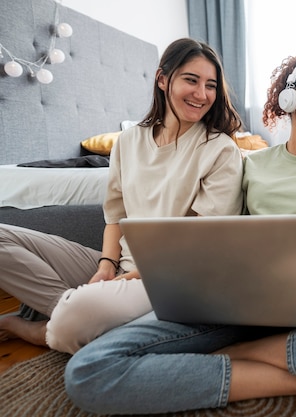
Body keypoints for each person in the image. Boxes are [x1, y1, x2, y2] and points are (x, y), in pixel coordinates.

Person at [63, 54, 296, 414]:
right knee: (88, 371)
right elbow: (221, 233)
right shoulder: (252, 164)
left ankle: (245, 354)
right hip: (234, 294)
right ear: (291, 100)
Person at [0, 38, 244, 354]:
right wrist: (105, 266)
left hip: (169, 276)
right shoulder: (129, 141)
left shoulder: (221, 151)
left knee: (71, 320)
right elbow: (116, 215)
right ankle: (70, 314)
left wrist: (130, 277)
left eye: (211, 85)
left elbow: (200, 241)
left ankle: (41, 326)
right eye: (191, 80)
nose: (202, 94)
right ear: (162, 79)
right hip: (120, 264)